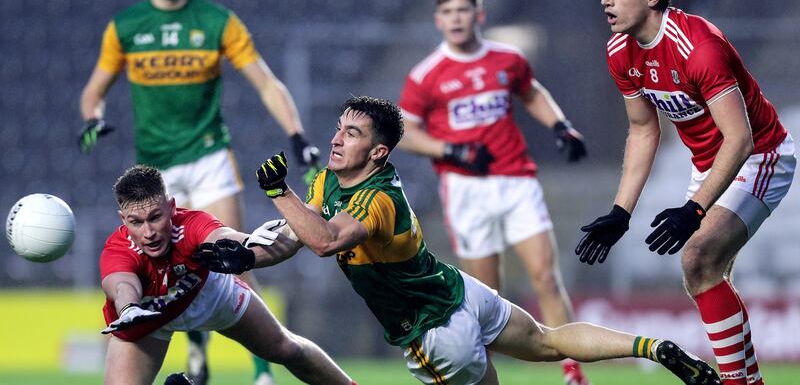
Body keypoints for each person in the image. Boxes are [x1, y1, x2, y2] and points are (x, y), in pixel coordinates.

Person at [195, 96, 720, 385]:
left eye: (352, 133)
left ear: (379, 153)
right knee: (545, 340)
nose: (335, 137)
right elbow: (295, 235)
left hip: (434, 333)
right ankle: (654, 348)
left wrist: (275, 190)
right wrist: (248, 254)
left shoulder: (380, 200)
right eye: (338, 127)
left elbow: (327, 240)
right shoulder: (327, 182)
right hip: (458, 290)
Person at [77, 0, 320, 384]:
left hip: (209, 156)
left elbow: (266, 82)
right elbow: (94, 90)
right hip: (157, 173)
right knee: (171, 267)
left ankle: (261, 372)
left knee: (235, 254)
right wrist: (92, 118)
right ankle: (196, 352)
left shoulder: (216, 21)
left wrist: (297, 133)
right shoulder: (126, 27)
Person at [575, 0, 796, 385]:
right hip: (708, 162)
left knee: (697, 259)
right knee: (708, 272)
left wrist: (693, 209)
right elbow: (643, 130)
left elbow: (740, 138)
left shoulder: (699, 47)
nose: (606, 0)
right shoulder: (620, 51)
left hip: (759, 155)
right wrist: (621, 212)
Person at [397, 0, 590, 385]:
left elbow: (531, 92)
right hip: (465, 189)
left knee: (546, 275)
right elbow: (406, 131)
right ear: (438, 20)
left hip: (516, 179)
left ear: (479, 15)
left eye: (463, 11)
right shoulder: (426, 75)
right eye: (448, 13)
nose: (456, 19)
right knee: (486, 295)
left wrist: (561, 126)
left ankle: (573, 374)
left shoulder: (507, 59)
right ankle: (490, 378)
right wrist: (451, 150)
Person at [99, 165, 354, 385]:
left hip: (210, 296)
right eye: (136, 222)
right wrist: (129, 309)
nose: (149, 232)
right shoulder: (117, 250)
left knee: (285, 347)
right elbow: (122, 285)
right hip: (149, 318)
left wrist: (246, 245)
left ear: (172, 207)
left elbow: (225, 238)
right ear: (123, 219)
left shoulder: (191, 224)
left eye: (155, 217)